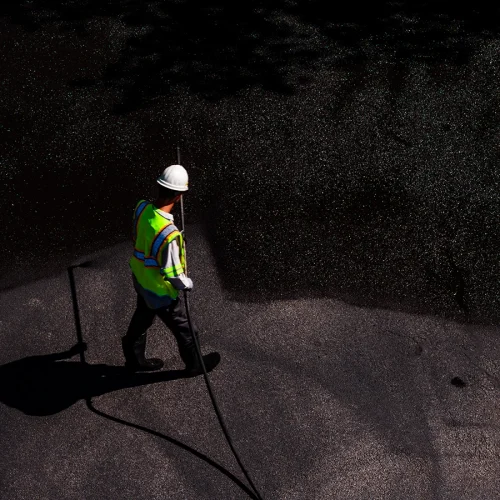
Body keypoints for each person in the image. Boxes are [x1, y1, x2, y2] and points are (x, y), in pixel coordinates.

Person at [122, 164, 220, 375]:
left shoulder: (141, 208)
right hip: (160, 290)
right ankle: (195, 365)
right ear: (179, 196)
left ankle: (133, 358)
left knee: (143, 316)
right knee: (184, 328)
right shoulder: (169, 234)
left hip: (141, 279)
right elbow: (174, 276)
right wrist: (188, 283)